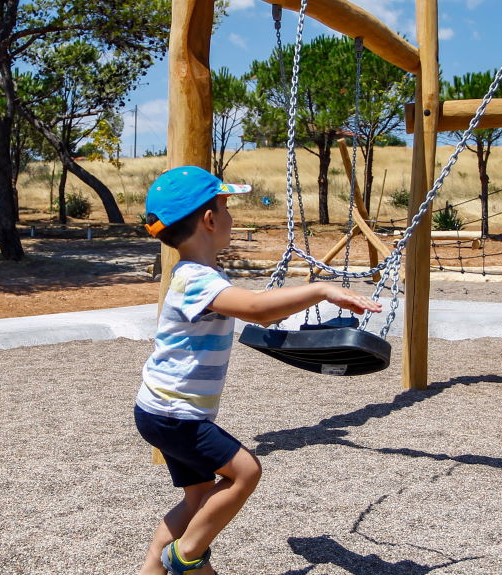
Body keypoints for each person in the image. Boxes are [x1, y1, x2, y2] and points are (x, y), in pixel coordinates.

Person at [134, 166, 382, 575]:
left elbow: (257, 311)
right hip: (175, 414)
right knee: (246, 471)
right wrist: (321, 290)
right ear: (210, 220)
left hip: (161, 410)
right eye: (227, 209)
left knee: (198, 501)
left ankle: (155, 569)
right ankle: (187, 557)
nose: (233, 218)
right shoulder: (196, 279)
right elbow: (254, 308)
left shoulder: (197, 275)